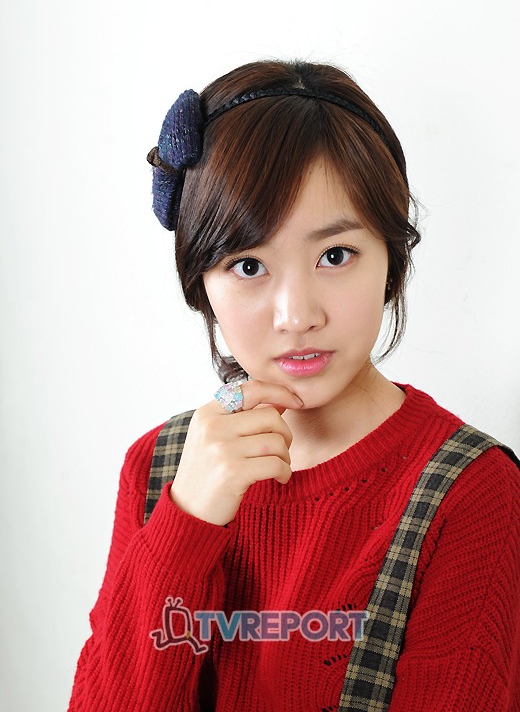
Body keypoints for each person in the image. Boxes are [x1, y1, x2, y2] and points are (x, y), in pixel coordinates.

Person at [68, 59, 520, 711]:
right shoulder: (161, 468)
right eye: (248, 265)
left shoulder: (469, 493)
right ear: (201, 284)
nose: (297, 315)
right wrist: (185, 522)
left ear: (391, 260)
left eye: (335, 256)